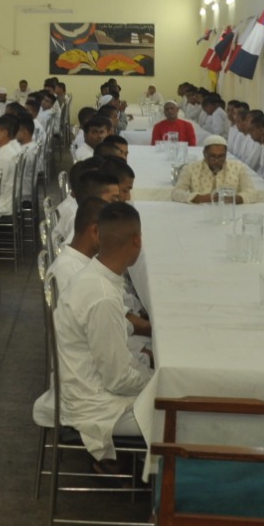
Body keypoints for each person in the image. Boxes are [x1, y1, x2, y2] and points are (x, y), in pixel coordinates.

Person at [47, 202, 152, 471]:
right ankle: (158, 490)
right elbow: (118, 379)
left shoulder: (93, 276)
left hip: (82, 389)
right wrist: (157, 381)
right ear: (137, 241)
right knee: (178, 414)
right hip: (94, 407)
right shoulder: (102, 296)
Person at [169, 136, 256, 204]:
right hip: (198, 212)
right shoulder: (190, 168)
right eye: (213, 156)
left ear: (226, 155)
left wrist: (233, 199)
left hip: (228, 212)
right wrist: (200, 198)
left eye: (221, 156)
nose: (217, 160)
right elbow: (176, 193)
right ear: (204, 154)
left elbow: (252, 194)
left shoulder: (238, 168)